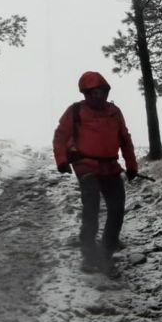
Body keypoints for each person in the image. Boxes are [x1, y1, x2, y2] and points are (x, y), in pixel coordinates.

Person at [52, 71, 138, 276]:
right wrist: (62, 160)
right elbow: (60, 137)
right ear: (85, 94)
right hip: (85, 165)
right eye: (93, 93)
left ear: (106, 92)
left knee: (117, 209)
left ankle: (106, 253)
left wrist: (132, 164)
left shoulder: (114, 112)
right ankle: (89, 256)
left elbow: (125, 139)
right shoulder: (75, 111)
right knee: (91, 210)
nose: (98, 96)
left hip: (110, 166)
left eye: (101, 91)